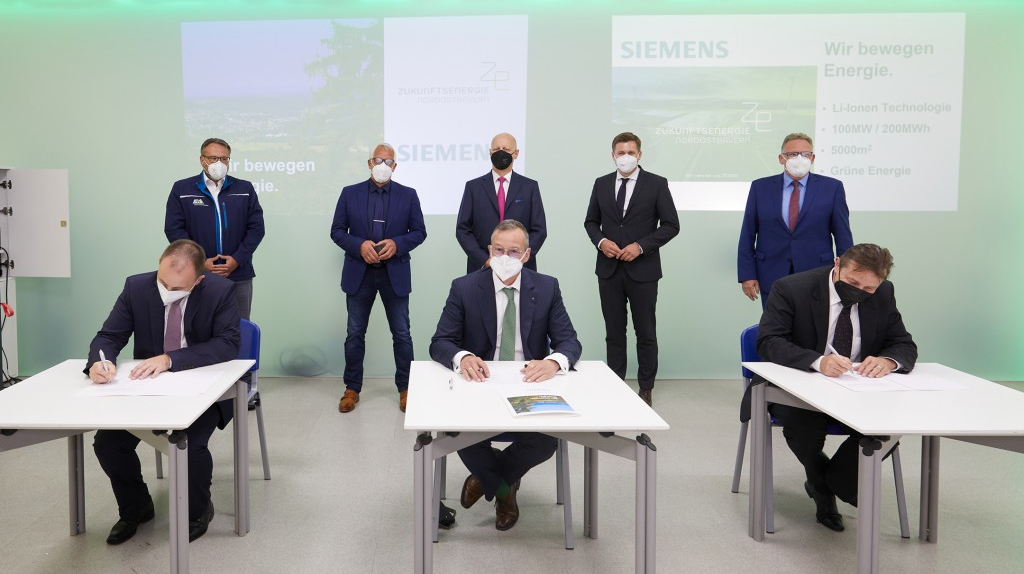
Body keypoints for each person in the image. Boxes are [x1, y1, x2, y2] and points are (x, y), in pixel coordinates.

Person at [85, 239, 241, 545]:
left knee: (189, 446)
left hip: (200, 386)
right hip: (147, 387)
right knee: (108, 443)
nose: (167, 290)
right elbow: (109, 335)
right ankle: (137, 506)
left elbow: (228, 343)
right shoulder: (137, 287)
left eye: (178, 287)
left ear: (199, 279)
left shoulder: (220, 291)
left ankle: (198, 512)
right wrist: (98, 363)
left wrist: (171, 359)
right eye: (162, 281)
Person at [429, 219, 582, 531]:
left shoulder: (547, 286)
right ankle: (503, 489)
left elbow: (569, 342)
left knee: (545, 442)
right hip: (480, 384)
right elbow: (440, 342)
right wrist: (464, 356)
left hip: (529, 385)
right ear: (489, 251)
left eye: (513, 251)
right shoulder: (465, 287)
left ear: (526, 255)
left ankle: (486, 480)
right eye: (498, 250)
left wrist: (553, 362)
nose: (505, 256)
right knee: (459, 433)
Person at [754, 243, 917, 532]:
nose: (859, 291)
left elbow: (903, 343)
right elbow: (769, 341)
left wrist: (889, 361)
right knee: (803, 426)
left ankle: (827, 483)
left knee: (886, 428)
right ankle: (823, 489)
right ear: (838, 263)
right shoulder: (792, 288)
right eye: (853, 282)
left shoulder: (883, 294)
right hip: (800, 388)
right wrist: (818, 361)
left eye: (868, 289)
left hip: (859, 390)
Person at [165, 137, 264, 408]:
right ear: (201, 160)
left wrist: (236, 259)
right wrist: (200, 262)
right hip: (198, 276)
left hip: (238, 274)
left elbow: (256, 229)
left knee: (239, 330)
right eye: (212, 158)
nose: (218, 163)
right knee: (198, 330)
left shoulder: (243, 189)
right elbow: (174, 230)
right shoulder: (182, 189)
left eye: (223, 159)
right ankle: (203, 392)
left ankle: (244, 391)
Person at [583, 131, 679, 407]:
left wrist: (641, 246)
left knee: (645, 332)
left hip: (644, 271)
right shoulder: (601, 184)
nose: (625, 157)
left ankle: (646, 388)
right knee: (614, 332)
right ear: (612, 155)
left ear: (639, 154)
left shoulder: (657, 184)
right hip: (609, 270)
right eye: (620, 152)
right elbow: (591, 221)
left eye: (630, 152)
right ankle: (615, 383)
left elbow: (672, 225)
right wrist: (600, 242)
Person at [331, 143, 427, 413]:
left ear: (395, 166)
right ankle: (351, 389)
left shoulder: (408, 195)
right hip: (359, 274)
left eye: (389, 162)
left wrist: (397, 243)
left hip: (394, 273)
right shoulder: (350, 194)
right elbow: (337, 231)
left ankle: (406, 388)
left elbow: (419, 232)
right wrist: (358, 245)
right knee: (354, 334)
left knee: (402, 334)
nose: (383, 165)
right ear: (369, 163)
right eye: (378, 160)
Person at [737, 132, 853, 308]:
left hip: (817, 274)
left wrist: (845, 274)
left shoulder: (832, 188)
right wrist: (747, 274)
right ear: (781, 158)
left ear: (812, 157)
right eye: (792, 154)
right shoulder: (760, 187)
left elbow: (843, 235)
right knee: (775, 329)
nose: (799, 158)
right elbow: (748, 233)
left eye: (805, 154)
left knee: (813, 330)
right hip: (771, 273)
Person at [456, 132, 547, 274]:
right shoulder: (473, 187)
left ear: (515, 153)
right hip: (483, 267)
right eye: (496, 149)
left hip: (521, 267)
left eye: (505, 149)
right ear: (490, 152)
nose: (500, 153)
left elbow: (539, 230)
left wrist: (520, 259)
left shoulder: (530, 187)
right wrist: (485, 260)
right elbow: (462, 229)